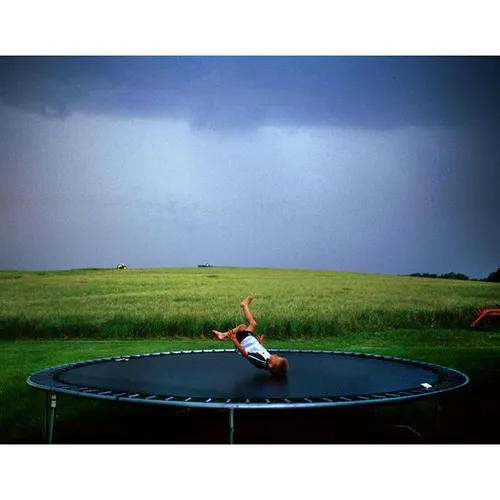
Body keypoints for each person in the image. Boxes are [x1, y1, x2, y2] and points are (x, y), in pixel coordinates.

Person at [212, 296, 289, 377]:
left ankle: (244, 305)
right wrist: (260, 343)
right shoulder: (268, 359)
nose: (276, 355)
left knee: (246, 326)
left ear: (270, 365)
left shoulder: (261, 361)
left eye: (276, 358)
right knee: (248, 326)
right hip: (249, 340)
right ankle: (223, 334)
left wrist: (235, 340)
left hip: (243, 342)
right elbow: (260, 351)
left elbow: (245, 354)